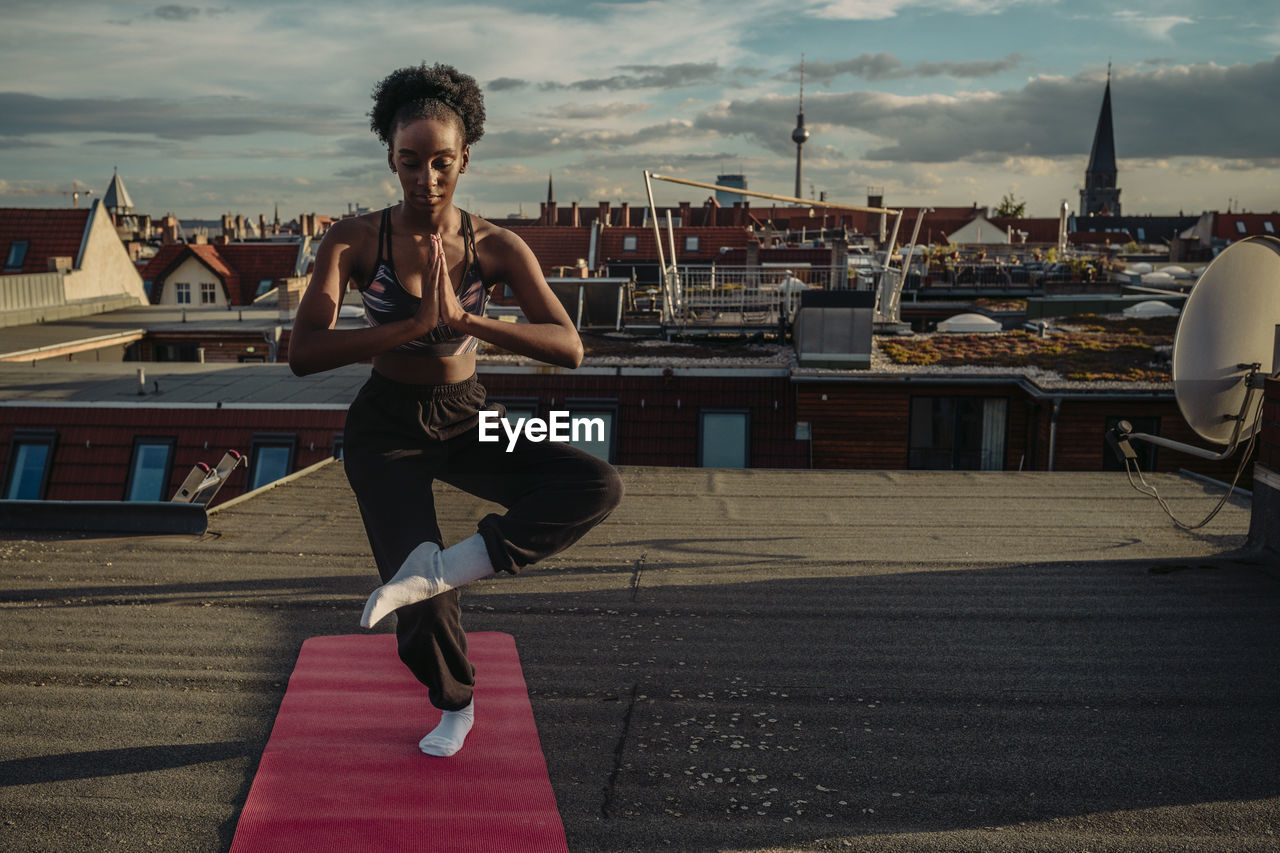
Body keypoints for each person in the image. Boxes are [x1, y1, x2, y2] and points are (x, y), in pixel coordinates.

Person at [288, 63, 623, 758]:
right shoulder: (352, 240)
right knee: (420, 605)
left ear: (464, 158)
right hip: (384, 426)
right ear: (391, 157)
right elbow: (304, 351)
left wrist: (470, 320)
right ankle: (456, 700)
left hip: (469, 413)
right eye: (410, 162)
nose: (426, 178)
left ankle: (452, 563)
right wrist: (413, 327)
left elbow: (569, 346)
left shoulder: (497, 246)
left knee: (593, 483)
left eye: (442, 162)